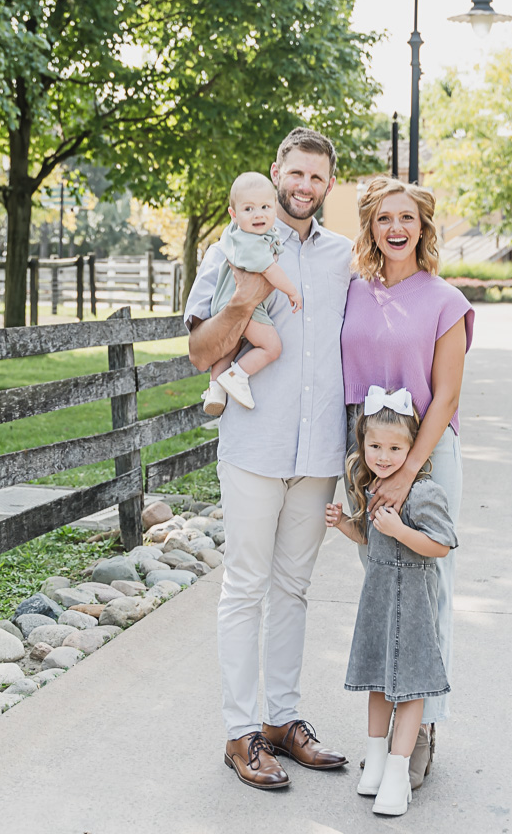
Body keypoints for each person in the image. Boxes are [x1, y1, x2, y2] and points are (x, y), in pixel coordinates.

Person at [185, 127, 352, 791]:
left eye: (317, 176)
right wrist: (245, 298)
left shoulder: (343, 256)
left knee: (293, 589)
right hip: (254, 447)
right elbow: (201, 353)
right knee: (245, 586)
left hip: (317, 454)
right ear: (276, 170)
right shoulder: (232, 250)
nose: (303, 186)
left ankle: (283, 721)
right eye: (295, 172)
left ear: (329, 184)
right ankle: (240, 731)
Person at [340, 175, 473, 790]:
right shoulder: (353, 292)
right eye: (384, 218)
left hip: (425, 455)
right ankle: (382, 731)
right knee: (378, 582)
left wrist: (409, 472)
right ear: (371, 227)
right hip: (369, 452)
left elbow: (446, 395)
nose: (396, 228)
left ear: (423, 229)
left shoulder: (445, 299)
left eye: (408, 219)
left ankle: (422, 726)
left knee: (429, 587)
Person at [326, 388, 457, 816]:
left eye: (395, 448)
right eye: (375, 446)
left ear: (412, 446)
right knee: (378, 683)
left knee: (412, 686)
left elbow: (440, 545)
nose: (383, 456)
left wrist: (401, 530)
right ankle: (376, 759)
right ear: (362, 445)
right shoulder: (371, 487)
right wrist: (346, 523)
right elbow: (371, 537)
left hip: (415, 606)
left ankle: (399, 772)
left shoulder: (423, 492)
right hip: (380, 603)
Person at [201, 171, 302, 418]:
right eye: (248, 209)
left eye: (265, 207)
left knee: (232, 345)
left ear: (275, 208)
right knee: (272, 347)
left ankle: (215, 388)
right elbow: (270, 270)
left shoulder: (240, 235)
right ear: (233, 215)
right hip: (243, 306)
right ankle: (236, 376)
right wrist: (292, 292)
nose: (258, 214)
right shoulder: (250, 242)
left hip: (227, 304)